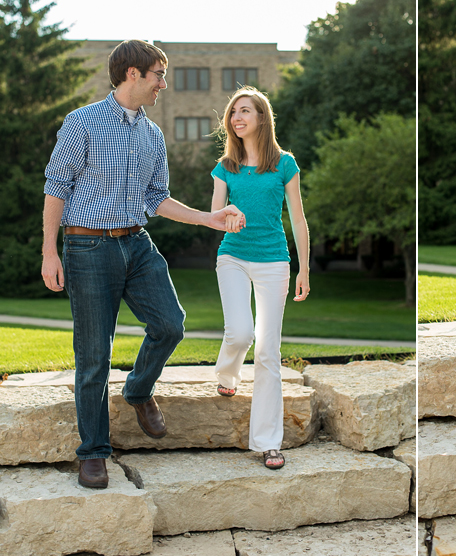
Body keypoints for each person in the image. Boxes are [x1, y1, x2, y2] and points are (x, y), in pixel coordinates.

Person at [41, 40, 245, 490]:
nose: (163, 84)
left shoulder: (152, 134)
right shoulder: (83, 123)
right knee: (93, 356)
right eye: (157, 74)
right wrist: (49, 251)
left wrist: (208, 218)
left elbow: (156, 198)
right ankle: (93, 452)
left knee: (171, 324)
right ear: (132, 74)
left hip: (137, 243)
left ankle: (137, 390)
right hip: (88, 248)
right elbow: (56, 186)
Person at [209, 86, 310, 470]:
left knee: (268, 350)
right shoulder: (226, 167)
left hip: (274, 262)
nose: (237, 117)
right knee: (240, 332)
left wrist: (304, 267)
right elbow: (215, 214)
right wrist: (229, 213)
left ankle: (268, 442)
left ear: (261, 118)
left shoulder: (285, 164)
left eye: (245, 110)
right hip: (233, 257)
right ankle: (227, 374)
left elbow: (298, 219)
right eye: (234, 112)